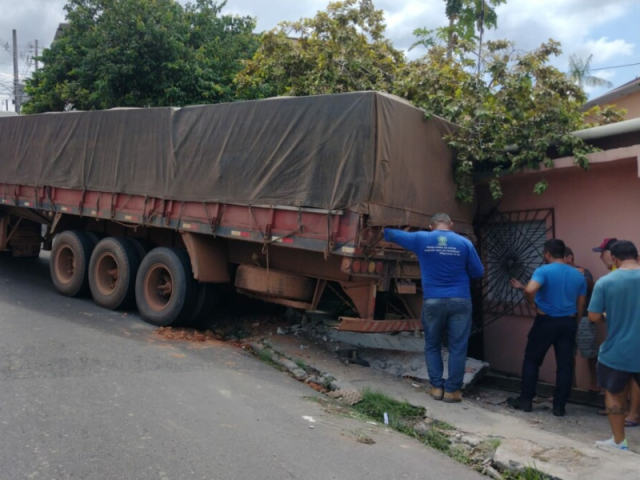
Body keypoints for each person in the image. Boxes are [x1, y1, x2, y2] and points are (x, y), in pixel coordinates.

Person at [384, 213, 484, 403]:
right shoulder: (464, 243)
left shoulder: (421, 239)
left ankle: (437, 388)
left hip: (433, 300)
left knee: (432, 345)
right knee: (457, 347)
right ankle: (452, 391)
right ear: (451, 225)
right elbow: (478, 272)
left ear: (431, 227)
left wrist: (386, 231)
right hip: (460, 300)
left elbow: (393, 234)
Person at [508, 239, 587, 417]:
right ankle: (559, 406)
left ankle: (526, 401)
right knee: (565, 365)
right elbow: (581, 303)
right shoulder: (577, 275)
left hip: (546, 321)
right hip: (568, 322)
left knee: (532, 361)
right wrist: (576, 320)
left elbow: (529, 290)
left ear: (547, 254)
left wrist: (533, 305)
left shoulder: (543, 270)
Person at [588, 240, 640, 450]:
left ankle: (619, 442)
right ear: (637, 256)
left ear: (615, 259)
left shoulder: (606, 282)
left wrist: (607, 316)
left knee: (614, 394)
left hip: (617, 351)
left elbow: (592, 316)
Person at [564, 247, 598, 392]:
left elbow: (591, 286)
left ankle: (595, 384)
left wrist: (580, 278)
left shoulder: (583, 271)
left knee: (590, 353)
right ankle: (570, 385)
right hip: (566, 317)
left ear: (569, 258)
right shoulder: (560, 274)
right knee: (567, 354)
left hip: (584, 317)